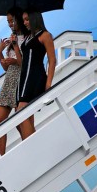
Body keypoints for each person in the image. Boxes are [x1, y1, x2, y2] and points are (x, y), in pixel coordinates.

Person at [17, 9, 56, 140]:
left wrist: (48, 83)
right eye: (23, 20)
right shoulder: (28, 37)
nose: (25, 22)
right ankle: (34, 144)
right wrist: (15, 47)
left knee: (21, 113)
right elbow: (23, 60)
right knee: (23, 117)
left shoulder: (44, 35)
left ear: (35, 19)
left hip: (35, 77)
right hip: (24, 78)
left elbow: (52, 59)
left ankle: (32, 148)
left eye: (27, 19)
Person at [0, 7, 28, 155]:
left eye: (11, 20)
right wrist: (0, 52)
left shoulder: (27, 38)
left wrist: (15, 52)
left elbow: (25, 64)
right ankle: (1, 157)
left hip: (21, 79)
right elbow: (5, 68)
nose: (9, 24)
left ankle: (27, 150)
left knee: (20, 122)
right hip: (9, 80)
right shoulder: (11, 39)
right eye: (7, 21)